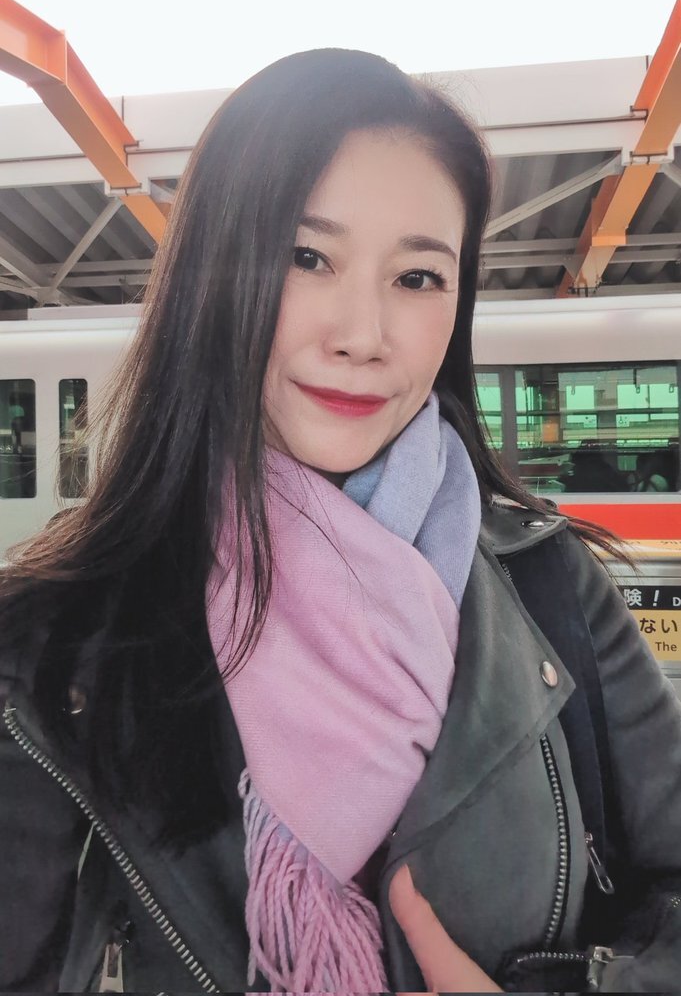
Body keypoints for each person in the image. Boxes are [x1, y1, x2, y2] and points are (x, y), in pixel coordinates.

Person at [1, 48, 680, 994]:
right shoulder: (47, 644)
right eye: (305, 257)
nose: (363, 336)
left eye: (418, 277)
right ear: (210, 280)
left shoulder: (550, 585)